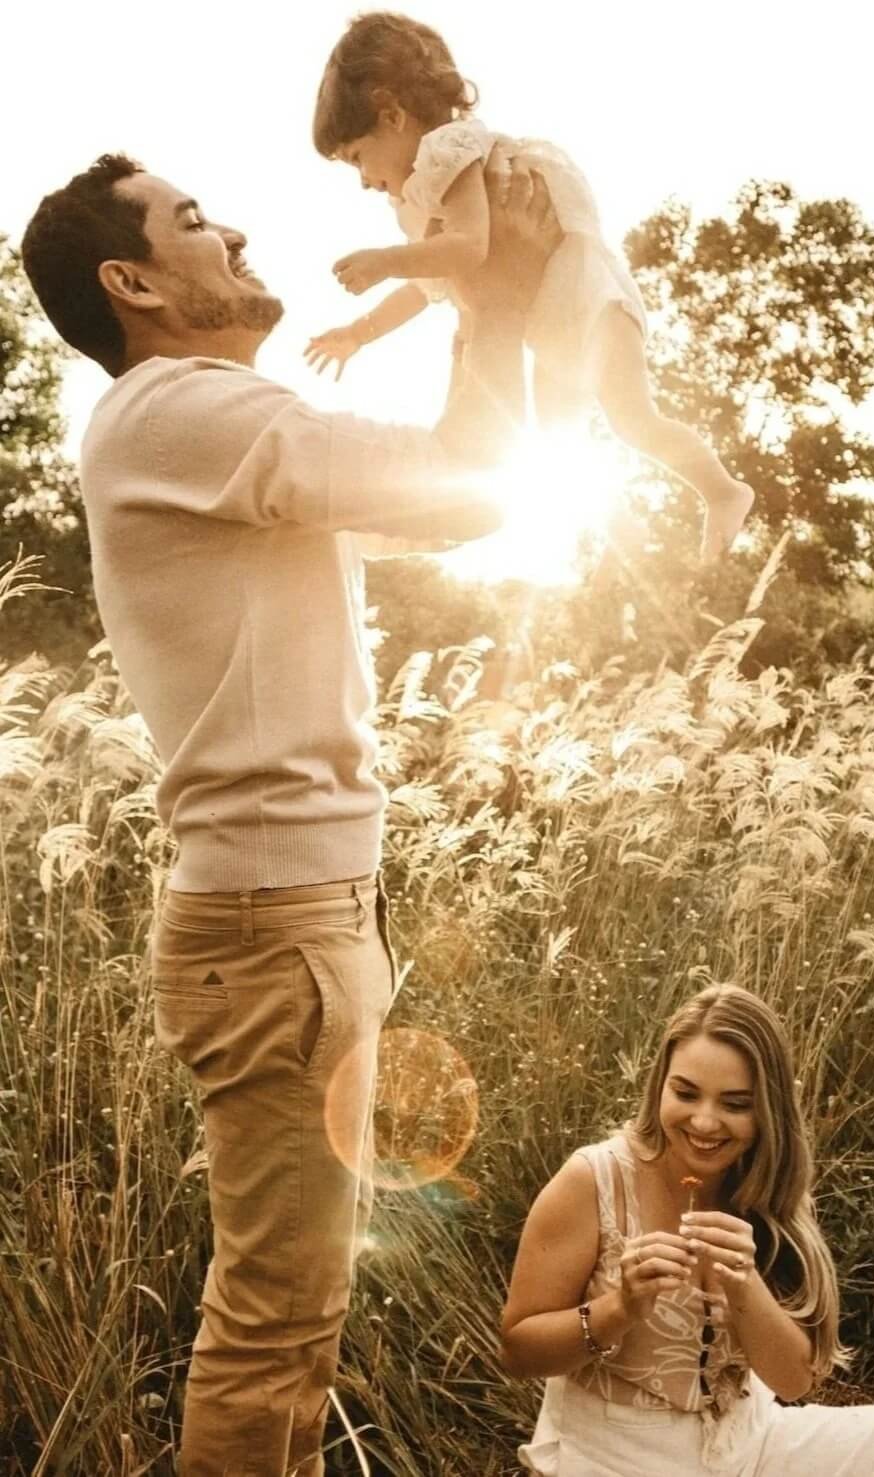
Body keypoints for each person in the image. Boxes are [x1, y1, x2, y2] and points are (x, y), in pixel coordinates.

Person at [20, 149, 559, 1477]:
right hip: (273, 930)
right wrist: (489, 292)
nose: (239, 229)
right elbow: (469, 464)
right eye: (195, 220)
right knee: (274, 1329)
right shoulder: (177, 412)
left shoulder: (220, 429)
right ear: (130, 279)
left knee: (294, 1324)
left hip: (300, 919)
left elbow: (476, 496)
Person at [307, 10, 755, 565]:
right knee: (554, 444)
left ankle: (721, 490)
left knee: (631, 418)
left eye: (357, 158)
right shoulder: (426, 192)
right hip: (550, 319)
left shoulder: (448, 151)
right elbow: (431, 286)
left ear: (393, 115)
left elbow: (468, 247)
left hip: (587, 296)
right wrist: (360, 332)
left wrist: (386, 260)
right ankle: (624, 545)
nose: (363, 181)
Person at [501, 984, 874, 1475]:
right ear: (659, 1085)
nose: (705, 1122)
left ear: (767, 1110)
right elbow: (519, 1350)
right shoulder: (593, 1179)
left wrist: (743, 1282)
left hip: (748, 1443)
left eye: (735, 1104)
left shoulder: (767, 1188)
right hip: (614, 1451)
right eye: (685, 1093)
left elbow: (794, 1382)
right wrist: (619, 1308)